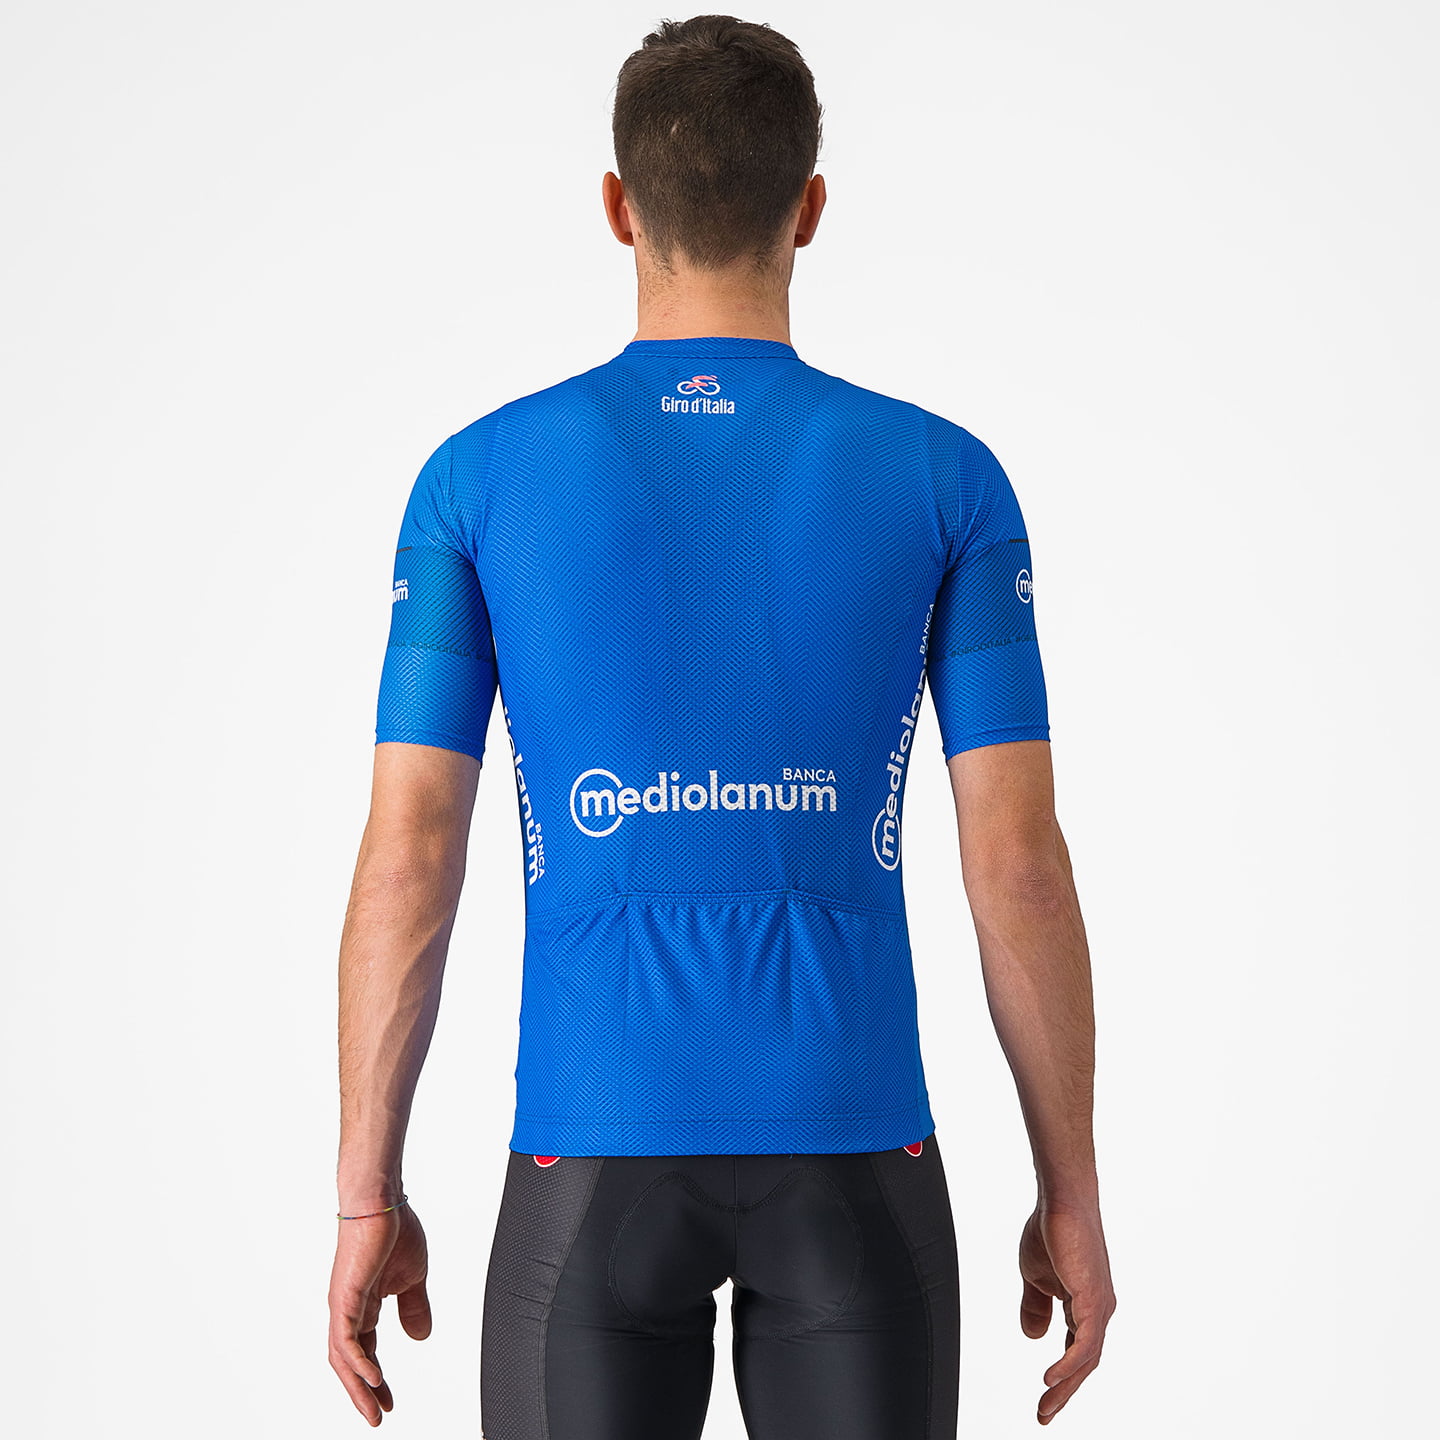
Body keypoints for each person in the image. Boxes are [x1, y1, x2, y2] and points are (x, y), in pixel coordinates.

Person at [327, 13, 1115, 1437]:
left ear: (618, 207)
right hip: (856, 1146)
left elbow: (409, 858)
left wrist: (365, 1196)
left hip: (588, 1149)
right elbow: (1017, 865)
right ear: (808, 209)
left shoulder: (476, 482)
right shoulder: (946, 480)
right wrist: (1072, 1188)